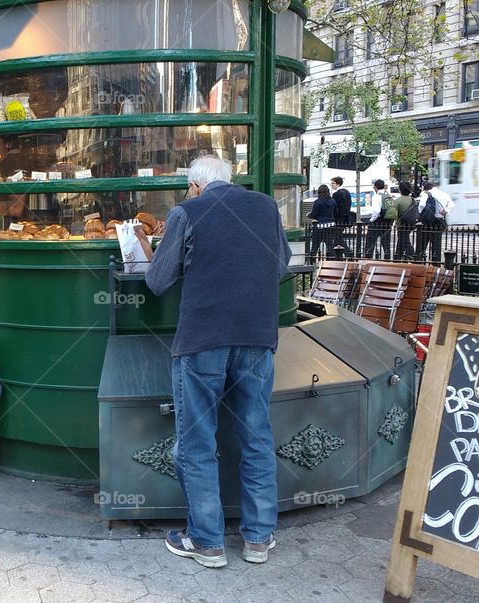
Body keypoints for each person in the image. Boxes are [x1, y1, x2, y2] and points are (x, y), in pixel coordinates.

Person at [145, 156, 290, 569]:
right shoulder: (265, 207)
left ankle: (207, 542)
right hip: (257, 337)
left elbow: (157, 282)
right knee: (257, 435)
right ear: (231, 181)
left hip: (202, 340)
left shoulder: (186, 212)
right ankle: (259, 538)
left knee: (197, 442)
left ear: (194, 186)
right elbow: (278, 264)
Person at [416, 181, 455, 263]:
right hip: (439, 220)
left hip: (428, 222)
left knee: (423, 243)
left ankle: (420, 261)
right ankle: (435, 263)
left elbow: (422, 205)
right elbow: (451, 204)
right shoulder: (444, 194)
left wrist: (420, 213)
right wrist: (446, 211)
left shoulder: (426, 194)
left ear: (425, 188)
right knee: (436, 244)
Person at [363, 179, 393, 259]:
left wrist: (371, 220)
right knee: (386, 243)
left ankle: (368, 258)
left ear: (375, 187)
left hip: (377, 221)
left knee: (370, 242)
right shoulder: (388, 195)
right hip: (387, 221)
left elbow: (376, 211)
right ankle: (387, 259)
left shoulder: (376, 196)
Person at [307, 184, 337, 260]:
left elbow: (314, 214)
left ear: (319, 192)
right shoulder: (333, 201)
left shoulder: (318, 202)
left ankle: (311, 260)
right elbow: (336, 212)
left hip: (320, 226)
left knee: (315, 245)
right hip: (330, 225)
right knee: (330, 245)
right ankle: (333, 259)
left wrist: (309, 215)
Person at [330, 177, 353, 256]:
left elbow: (333, 207)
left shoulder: (336, 194)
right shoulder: (347, 192)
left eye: (333, 183)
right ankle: (338, 254)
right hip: (346, 218)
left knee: (337, 237)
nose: (331, 185)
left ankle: (348, 252)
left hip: (338, 219)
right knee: (337, 237)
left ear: (338, 184)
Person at [394, 182, 418, 260]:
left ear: (400, 190)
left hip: (402, 223)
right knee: (402, 238)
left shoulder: (398, 200)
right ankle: (398, 254)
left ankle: (410, 253)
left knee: (403, 238)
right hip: (411, 223)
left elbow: (395, 213)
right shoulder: (412, 199)